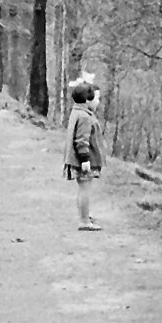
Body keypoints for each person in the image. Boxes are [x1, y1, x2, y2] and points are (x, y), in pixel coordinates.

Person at [62, 80, 105, 231]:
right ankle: (84, 220)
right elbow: (81, 140)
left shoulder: (77, 112)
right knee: (85, 188)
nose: (98, 102)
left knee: (83, 188)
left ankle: (85, 214)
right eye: (96, 98)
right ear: (87, 100)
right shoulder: (85, 117)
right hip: (84, 160)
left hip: (81, 158)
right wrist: (85, 159)